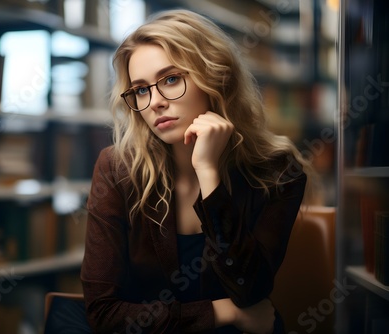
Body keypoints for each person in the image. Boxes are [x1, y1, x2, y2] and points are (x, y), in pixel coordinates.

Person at [80, 9, 314, 334]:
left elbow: (250, 289)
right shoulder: (118, 169)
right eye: (142, 89)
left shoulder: (278, 172)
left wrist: (208, 174)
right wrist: (220, 313)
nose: (155, 102)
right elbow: (103, 314)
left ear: (215, 77)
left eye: (171, 79)